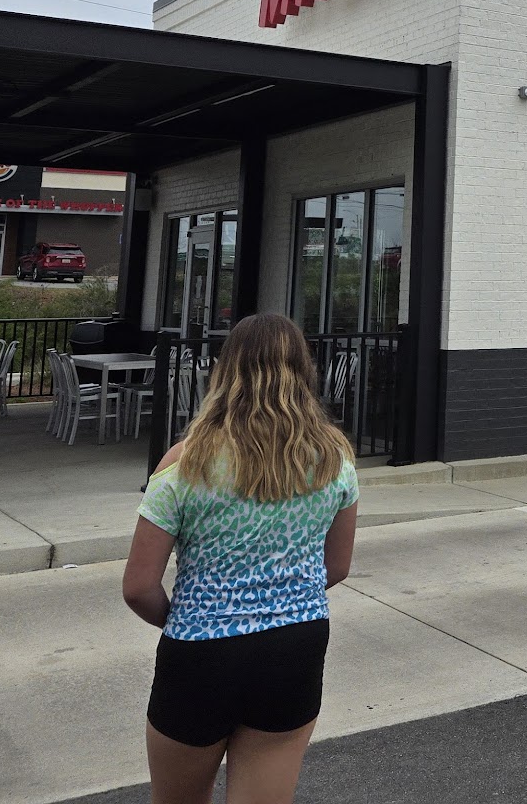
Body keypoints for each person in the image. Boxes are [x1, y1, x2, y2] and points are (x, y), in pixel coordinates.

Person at [122, 313, 359, 804]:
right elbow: (336, 567)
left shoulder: (186, 462)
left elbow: (139, 587)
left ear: (226, 371)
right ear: (303, 371)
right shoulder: (335, 459)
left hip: (201, 652)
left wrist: (189, 617)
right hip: (295, 646)